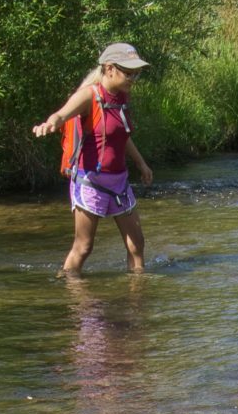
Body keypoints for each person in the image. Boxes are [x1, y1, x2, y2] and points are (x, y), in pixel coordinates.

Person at [33, 43, 154, 277]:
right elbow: (61, 114)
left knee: (137, 244)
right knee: (84, 246)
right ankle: (67, 286)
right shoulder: (90, 95)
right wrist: (49, 124)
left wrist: (141, 163)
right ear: (109, 69)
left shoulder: (122, 98)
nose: (133, 78)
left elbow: (120, 136)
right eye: (128, 72)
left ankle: (138, 296)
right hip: (91, 181)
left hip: (119, 182)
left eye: (136, 73)